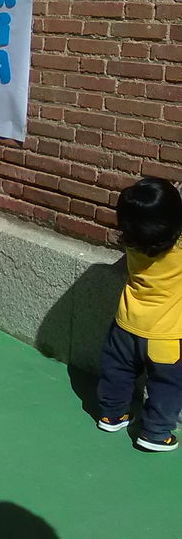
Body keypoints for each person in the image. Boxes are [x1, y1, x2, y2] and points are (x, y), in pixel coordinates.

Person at [96, 177, 182, 452]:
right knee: (167, 383)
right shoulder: (178, 247)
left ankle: (112, 414)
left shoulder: (132, 242)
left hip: (126, 324)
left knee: (117, 371)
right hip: (166, 335)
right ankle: (156, 433)